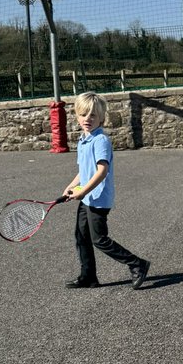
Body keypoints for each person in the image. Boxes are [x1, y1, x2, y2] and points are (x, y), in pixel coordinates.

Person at [62, 91, 150, 290]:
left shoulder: (100, 140)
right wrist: (71, 186)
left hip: (98, 198)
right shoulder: (83, 139)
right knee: (81, 237)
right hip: (87, 198)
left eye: (93, 115)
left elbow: (102, 171)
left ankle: (137, 264)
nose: (87, 119)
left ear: (101, 118)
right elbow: (84, 171)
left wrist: (82, 191)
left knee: (99, 239)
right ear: (77, 115)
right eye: (83, 114)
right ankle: (88, 277)